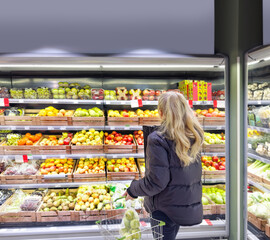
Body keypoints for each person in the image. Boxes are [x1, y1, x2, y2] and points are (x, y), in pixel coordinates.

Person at [123, 91, 204, 240]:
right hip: (182, 203)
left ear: (161, 112)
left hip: (164, 208)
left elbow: (156, 182)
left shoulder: (158, 139)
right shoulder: (194, 134)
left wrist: (133, 190)